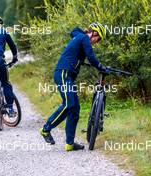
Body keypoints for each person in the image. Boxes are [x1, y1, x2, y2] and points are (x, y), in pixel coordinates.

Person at [39, 22, 108, 151]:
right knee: (68, 104)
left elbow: (80, 56)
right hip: (64, 73)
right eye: (98, 39)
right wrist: (101, 67)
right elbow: (91, 56)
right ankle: (46, 129)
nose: (96, 43)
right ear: (94, 33)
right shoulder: (84, 38)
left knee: (75, 109)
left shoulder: (79, 37)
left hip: (67, 75)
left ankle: (70, 144)